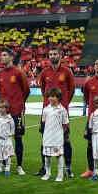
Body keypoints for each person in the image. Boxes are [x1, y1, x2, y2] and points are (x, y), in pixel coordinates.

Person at [37, 47, 76, 177]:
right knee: (44, 139)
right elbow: (43, 90)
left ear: (61, 55)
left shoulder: (67, 72)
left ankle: (68, 168)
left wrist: (64, 104)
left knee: (65, 139)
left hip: (61, 111)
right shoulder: (44, 72)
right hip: (47, 112)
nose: (52, 56)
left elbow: (72, 90)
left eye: (55, 54)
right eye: (50, 54)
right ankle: (44, 168)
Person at [0, 48, 30, 175]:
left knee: (18, 138)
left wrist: (18, 103)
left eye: (4, 55)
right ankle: (5, 164)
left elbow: (26, 90)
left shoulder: (18, 72)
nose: (2, 58)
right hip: (4, 113)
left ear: (11, 57)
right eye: (1, 55)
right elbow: (0, 91)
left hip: (17, 111)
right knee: (4, 138)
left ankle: (19, 166)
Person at [40, 87, 69, 182]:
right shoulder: (45, 109)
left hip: (58, 137)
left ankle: (60, 175)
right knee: (47, 156)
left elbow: (65, 125)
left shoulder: (62, 110)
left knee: (59, 156)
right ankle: (48, 173)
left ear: (58, 97)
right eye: (49, 96)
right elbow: (44, 122)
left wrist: (59, 133)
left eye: (53, 96)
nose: (50, 98)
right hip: (47, 137)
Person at [0, 100, 15, 176]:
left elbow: (12, 129)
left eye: (2, 108)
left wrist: (8, 136)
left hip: (7, 139)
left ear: (6, 108)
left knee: (7, 155)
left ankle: (7, 169)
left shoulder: (10, 119)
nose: (0, 109)